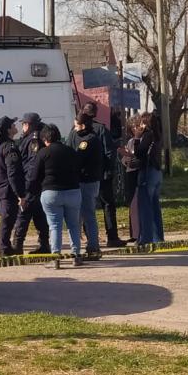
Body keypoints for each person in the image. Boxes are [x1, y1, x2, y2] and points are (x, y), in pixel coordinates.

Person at [27, 124, 84, 266]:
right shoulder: (71, 151)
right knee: (74, 225)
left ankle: (56, 257)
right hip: (72, 192)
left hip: (51, 193)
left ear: (45, 139)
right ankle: (76, 255)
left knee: (54, 226)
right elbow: (79, 170)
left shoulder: (43, 153)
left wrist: (33, 190)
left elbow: (34, 176)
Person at [77, 101, 125, 248]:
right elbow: (109, 152)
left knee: (86, 207)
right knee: (108, 204)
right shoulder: (101, 129)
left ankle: (89, 237)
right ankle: (112, 236)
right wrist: (109, 170)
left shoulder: (75, 132)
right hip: (102, 174)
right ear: (95, 113)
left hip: (83, 176)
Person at [67, 112, 104, 260]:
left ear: (83, 125)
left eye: (76, 125)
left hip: (88, 181)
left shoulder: (90, 139)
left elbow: (78, 157)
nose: (75, 128)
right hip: (78, 181)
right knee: (77, 216)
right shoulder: (75, 135)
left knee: (88, 215)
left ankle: (93, 246)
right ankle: (78, 247)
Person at [121, 113, 163, 244]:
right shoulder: (157, 135)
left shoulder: (147, 135)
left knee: (144, 207)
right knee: (154, 206)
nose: (140, 126)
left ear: (147, 123)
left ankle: (145, 238)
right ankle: (157, 238)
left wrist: (138, 138)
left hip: (147, 173)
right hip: (157, 172)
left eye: (143, 123)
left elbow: (140, 152)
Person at [0, 116, 26, 257]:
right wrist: (20, 194)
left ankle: (5, 246)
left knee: (7, 218)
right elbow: (13, 173)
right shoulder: (9, 147)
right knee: (7, 219)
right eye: (13, 124)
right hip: (7, 190)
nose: (16, 126)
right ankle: (4, 248)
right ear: (8, 129)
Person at [14, 113, 51, 253]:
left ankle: (17, 246)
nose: (22, 127)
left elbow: (32, 164)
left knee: (23, 215)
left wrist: (27, 186)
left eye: (23, 124)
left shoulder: (34, 140)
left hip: (31, 184)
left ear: (28, 125)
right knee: (39, 215)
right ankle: (44, 245)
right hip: (37, 184)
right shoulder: (32, 137)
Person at [120, 115, 142, 242]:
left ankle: (137, 233)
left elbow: (140, 156)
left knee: (136, 204)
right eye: (132, 127)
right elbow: (124, 159)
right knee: (131, 205)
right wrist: (126, 159)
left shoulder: (142, 140)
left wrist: (132, 158)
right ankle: (134, 233)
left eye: (137, 126)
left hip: (137, 173)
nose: (135, 129)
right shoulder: (130, 141)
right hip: (129, 172)